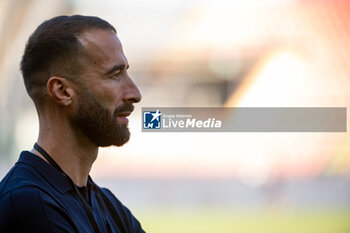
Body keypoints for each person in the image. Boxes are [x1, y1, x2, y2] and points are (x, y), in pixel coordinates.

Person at [0, 15, 145, 233]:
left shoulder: (106, 204)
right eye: (115, 74)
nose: (135, 94)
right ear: (62, 91)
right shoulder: (29, 203)